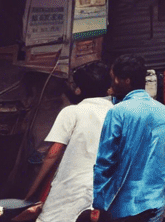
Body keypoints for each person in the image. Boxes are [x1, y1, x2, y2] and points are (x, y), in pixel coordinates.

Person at [24, 62, 113, 222]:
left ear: (78, 89)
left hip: (71, 189)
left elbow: (53, 153)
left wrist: (32, 191)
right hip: (104, 190)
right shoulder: (117, 113)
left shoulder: (72, 112)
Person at [92, 55, 165, 222]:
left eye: (114, 78)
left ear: (126, 81)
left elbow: (105, 162)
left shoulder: (119, 112)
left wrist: (99, 204)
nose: (112, 83)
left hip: (126, 207)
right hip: (156, 202)